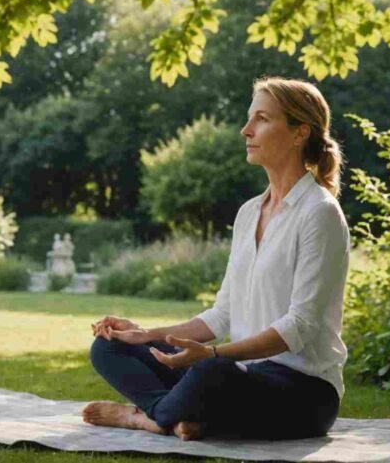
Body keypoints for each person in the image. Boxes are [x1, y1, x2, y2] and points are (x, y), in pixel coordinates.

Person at [82, 77, 349, 441]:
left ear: (299, 133)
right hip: (237, 375)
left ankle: (146, 418)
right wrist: (147, 334)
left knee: (211, 372)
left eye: (262, 119)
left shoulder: (319, 212)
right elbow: (223, 313)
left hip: (302, 392)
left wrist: (211, 354)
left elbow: (299, 326)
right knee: (110, 347)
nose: (246, 130)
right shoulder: (249, 213)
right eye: (249, 118)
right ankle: (183, 417)